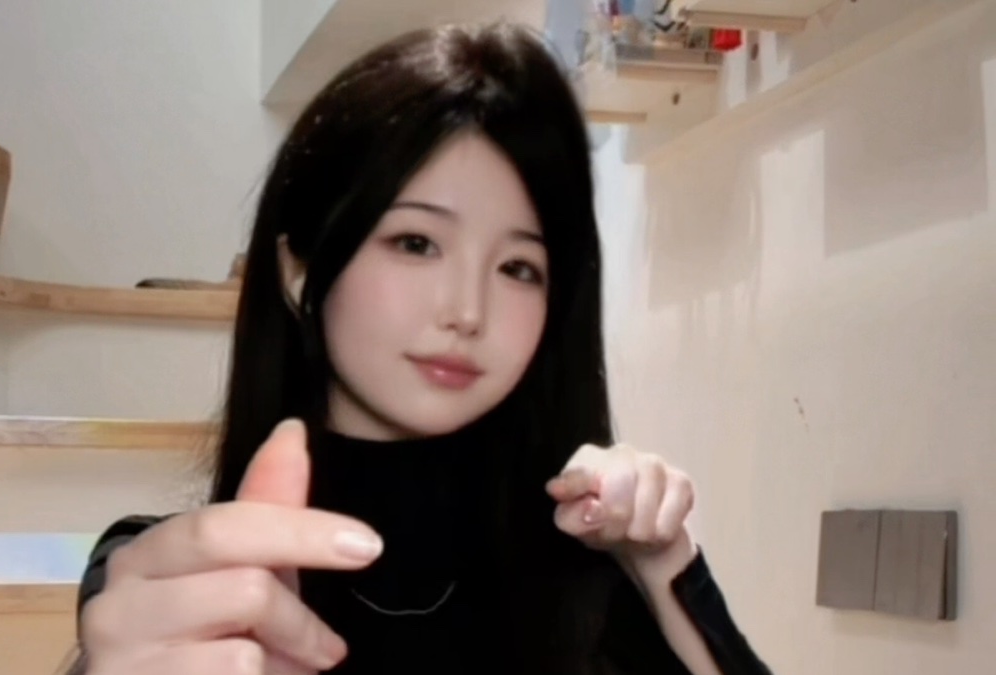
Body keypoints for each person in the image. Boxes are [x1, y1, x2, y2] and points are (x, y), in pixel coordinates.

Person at [63, 21, 771, 675]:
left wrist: (661, 562)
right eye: (415, 242)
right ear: (299, 268)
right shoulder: (180, 585)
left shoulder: (585, 578)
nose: (467, 311)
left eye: (518, 267)